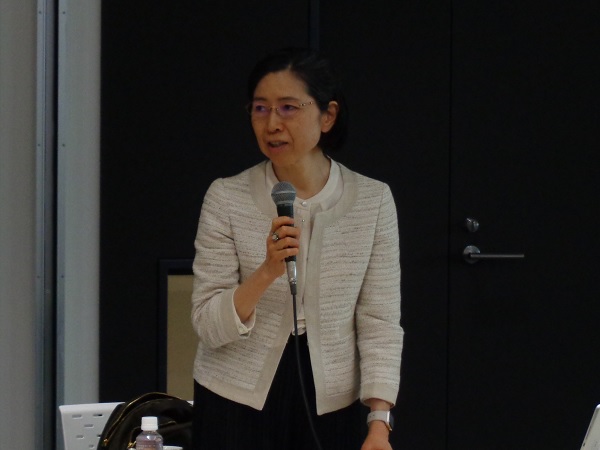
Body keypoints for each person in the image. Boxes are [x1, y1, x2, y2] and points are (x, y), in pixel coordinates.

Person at [191, 47, 403, 450]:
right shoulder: (226, 197)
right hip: (234, 397)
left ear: (328, 115)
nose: (272, 124)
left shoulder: (373, 201)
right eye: (260, 108)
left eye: (288, 108)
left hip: (332, 403)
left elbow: (379, 320)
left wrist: (379, 422)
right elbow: (207, 324)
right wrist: (267, 272)